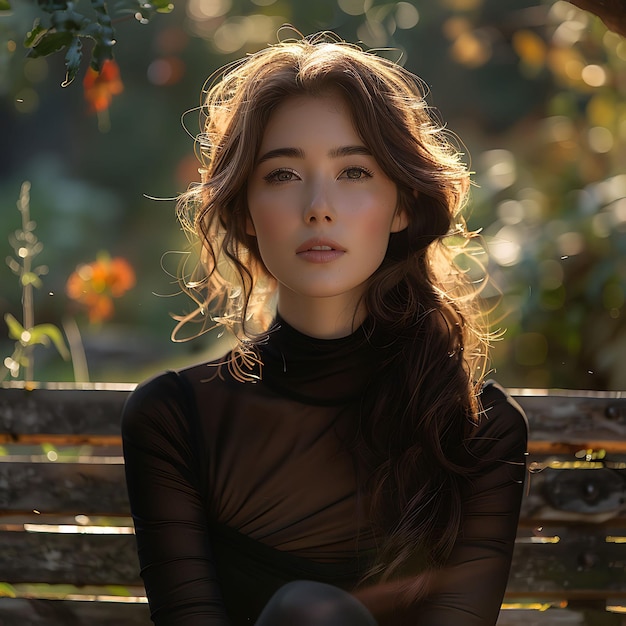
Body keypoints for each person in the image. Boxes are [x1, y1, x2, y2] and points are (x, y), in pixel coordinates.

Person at [121, 32, 528, 626]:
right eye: (283, 174)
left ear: (403, 205)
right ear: (245, 212)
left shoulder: (476, 431)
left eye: (354, 171)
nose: (318, 206)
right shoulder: (175, 418)